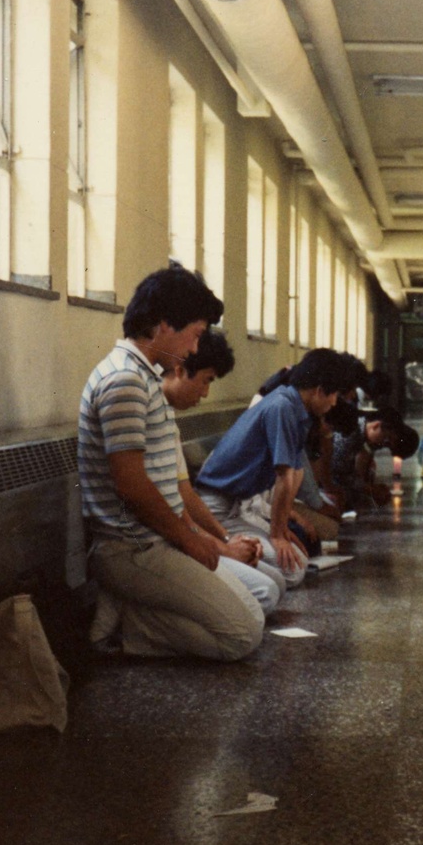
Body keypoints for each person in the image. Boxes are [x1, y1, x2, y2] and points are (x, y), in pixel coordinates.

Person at [78, 264, 264, 661]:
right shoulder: (125, 381)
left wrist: (200, 538)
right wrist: (192, 541)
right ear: (163, 325)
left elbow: (166, 483)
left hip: (156, 541)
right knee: (241, 635)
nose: (195, 349)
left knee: (255, 606)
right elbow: (131, 485)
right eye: (195, 335)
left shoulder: (144, 378)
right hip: (132, 550)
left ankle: (132, 611)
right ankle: (128, 627)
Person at [194, 348, 352, 580]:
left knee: (297, 558)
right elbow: (285, 477)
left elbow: (296, 475)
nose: (334, 402)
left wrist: (282, 528)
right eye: (334, 395)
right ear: (319, 391)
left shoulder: (296, 409)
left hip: (238, 506)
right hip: (217, 508)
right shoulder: (282, 407)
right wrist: (276, 534)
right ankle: (210, 557)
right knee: (292, 570)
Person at [161, 329, 284, 614]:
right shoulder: (146, 405)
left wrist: (227, 539)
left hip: (191, 530)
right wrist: (222, 547)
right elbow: (166, 509)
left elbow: (185, 494)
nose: (205, 394)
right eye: (206, 381)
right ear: (179, 369)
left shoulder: (168, 419)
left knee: (276, 580)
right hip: (164, 541)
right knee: (265, 593)